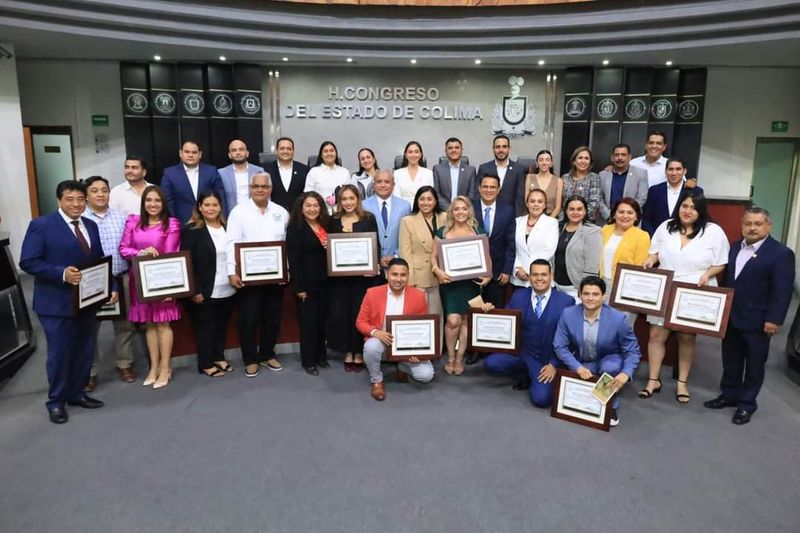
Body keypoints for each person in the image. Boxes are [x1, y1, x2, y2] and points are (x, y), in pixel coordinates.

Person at [20, 180, 117, 424]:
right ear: (59, 201)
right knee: (60, 353)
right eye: (70, 199)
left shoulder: (91, 225)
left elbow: (98, 260)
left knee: (84, 350)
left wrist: (111, 286)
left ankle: (76, 393)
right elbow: (29, 262)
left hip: (86, 301)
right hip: (55, 303)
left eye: (80, 200)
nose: (76, 204)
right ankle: (56, 401)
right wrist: (62, 273)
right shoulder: (42, 226)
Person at [704, 207, 795, 425]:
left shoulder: (781, 254)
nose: (752, 228)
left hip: (759, 321)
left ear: (768, 226)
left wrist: (774, 319)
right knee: (731, 359)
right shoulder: (735, 247)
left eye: (758, 223)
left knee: (754, 364)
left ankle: (747, 404)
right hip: (732, 317)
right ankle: (729, 395)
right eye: (748, 223)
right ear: (742, 225)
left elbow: (782, 291)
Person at [641, 190, 729, 402]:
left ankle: (682, 383)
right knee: (656, 335)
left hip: (694, 288)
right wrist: (651, 260)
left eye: (693, 207)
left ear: (700, 210)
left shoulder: (713, 231)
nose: (687, 211)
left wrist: (708, 274)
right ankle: (653, 380)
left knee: (687, 337)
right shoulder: (666, 226)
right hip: (666, 284)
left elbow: (721, 262)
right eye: (684, 206)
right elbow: (655, 251)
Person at [554, 276, 641, 427]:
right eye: (586, 294)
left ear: (603, 296)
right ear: (579, 295)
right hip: (581, 362)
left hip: (606, 362)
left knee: (611, 367)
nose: (590, 298)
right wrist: (577, 367)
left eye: (595, 294)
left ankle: (609, 405)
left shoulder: (618, 319)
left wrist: (625, 373)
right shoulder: (568, 314)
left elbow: (633, 351)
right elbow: (559, 346)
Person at [484, 259, 575, 406]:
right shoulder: (519, 295)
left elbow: (570, 340)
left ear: (551, 276)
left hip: (547, 359)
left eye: (544, 275)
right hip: (522, 353)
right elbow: (505, 322)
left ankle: (538, 375)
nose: (539, 278)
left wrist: (554, 365)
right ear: (530, 277)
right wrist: (489, 312)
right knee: (491, 363)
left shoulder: (566, 301)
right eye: (535, 274)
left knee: (541, 400)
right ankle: (525, 374)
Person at [226, 172, 290, 378]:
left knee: (272, 318)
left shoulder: (281, 212)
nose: (260, 190)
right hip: (248, 278)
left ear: (270, 189)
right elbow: (231, 242)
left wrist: (286, 269)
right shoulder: (238, 212)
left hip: (275, 276)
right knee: (248, 319)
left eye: (264, 186)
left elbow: (286, 244)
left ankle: (267, 354)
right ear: (250, 188)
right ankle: (250, 358)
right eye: (256, 186)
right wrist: (231, 270)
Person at [119, 185, 181, 389]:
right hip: (139, 281)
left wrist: (167, 286)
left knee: (163, 324)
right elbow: (123, 248)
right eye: (149, 200)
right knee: (150, 324)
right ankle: (153, 367)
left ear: (163, 203)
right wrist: (141, 252)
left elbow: (171, 254)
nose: (153, 204)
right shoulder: (133, 222)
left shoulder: (171, 224)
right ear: (143, 203)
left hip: (162, 280)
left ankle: (165, 367)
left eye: (157, 201)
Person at [82, 176, 135, 390]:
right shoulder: (81, 219)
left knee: (124, 325)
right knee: (89, 327)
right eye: (95, 190)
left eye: (104, 190)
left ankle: (124, 363)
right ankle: (91, 371)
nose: (100, 194)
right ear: (86, 195)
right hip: (91, 281)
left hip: (120, 276)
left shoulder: (122, 218)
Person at [356, 258, 435, 401]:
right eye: (394, 274)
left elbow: (423, 327)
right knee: (371, 347)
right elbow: (360, 322)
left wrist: (418, 352)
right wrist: (376, 332)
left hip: (406, 346)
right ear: (387, 274)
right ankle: (377, 380)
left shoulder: (418, 296)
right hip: (381, 341)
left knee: (426, 375)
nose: (398, 279)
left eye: (403, 275)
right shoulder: (372, 293)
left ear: (408, 276)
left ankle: (402, 366)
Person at [431, 196, 491, 375]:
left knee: (466, 320)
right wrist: (437, 271)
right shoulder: (442, 232)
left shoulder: (479, 231)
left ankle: (460, 357)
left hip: (472, 284)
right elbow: (433, 257)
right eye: (456, 209)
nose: (460, 212)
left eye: (464, 208)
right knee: (453, 320)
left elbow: (488, 258)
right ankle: (450, 357)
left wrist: (488, 276)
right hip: (451, 285)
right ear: (451, 212)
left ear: (469, 211)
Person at [180, 191, 236, 378]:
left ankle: (218, 356)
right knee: (205, 328)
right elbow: (187, 262)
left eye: (215, 205)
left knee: (221, 325)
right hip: (204, 289)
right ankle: (205, 362)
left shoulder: (228, 227)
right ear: (200, 207)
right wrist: (194, 290)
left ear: (220, 207)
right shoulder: (192, 230)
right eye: (207, 205)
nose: (211, 208)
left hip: (227, 287)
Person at [328, 184, 380, 372]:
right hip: (339, 279)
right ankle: (347, 351)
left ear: (358, 199)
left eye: (352, 198)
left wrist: (374, 266)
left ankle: (358, 351)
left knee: (360, 313)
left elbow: (376, 245)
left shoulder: (368, 218)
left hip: (363, 278)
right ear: (339, 202)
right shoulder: (333, 220)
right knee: (342, 313)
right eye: (344, 199)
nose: (348, 202)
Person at [286, 192, 331, 376]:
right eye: (308, 206)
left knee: (321, 321)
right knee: (308, 323)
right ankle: (309, 360)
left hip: (325, 282)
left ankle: (321, 356)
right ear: (301, 208)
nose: (312, 209)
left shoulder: (325, 226)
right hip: (306, 284)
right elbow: (294, 259)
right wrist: (299, 287)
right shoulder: (295, 228)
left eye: (315, 206)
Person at [399, 185, 447, 319]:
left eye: (429, 199)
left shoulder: (445, 217)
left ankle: (438, 341)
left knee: (438, 316)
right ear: (416, 201)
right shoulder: (407, 221)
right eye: (422, 199)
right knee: (420, 317)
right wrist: (410, 280)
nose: (426, 203)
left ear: (436, 201)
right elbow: (405, 253)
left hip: (443, 276)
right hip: (419, 278)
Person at [600, 198, 650, 325]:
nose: (625, 216)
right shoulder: (605, 230)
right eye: (621, 212)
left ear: (636, 216)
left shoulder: (642, 236)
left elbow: (640, 268)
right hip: (602, 286)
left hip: (624, 289)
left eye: (630, 212)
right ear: (614, 214)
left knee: (621, 329)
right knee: (602, 328)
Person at [473, 174, 515, 311]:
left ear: (498, 190)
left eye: (493, 187)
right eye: (485, 186)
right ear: (479, 188)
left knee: (494, 313)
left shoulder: (508, 210)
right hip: (472, 273)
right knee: (471, 313)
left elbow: (510, 242)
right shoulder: (469, 209)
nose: (488, 190)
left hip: (498, 273)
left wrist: (507, 270)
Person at [161, 140, 225, 224]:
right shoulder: (170, 173)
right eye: (187, 152)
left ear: (200, 154)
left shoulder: (211, 171)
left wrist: (222, 220)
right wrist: (174, 223)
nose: (190, 155)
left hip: (210, 222)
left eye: (194, 152)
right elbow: (168, 201)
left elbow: (221, 196)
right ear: (180, 153)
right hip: (182, 224)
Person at [553, 195, 602, 301]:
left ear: (585, 211)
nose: (575, 212)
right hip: (555, 286)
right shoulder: (558, 227)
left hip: (576, 288)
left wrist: (585, 288)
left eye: (579, 209)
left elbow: (592, 265)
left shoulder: (592, 231)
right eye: (571, 209)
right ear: (565, 211)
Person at [363, 169, 412, 271]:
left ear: (393, 185)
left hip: (398, 264)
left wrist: (395, 256)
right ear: (373, 185)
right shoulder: (363, 206)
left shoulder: (405, 206)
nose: (383, 185)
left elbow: (408, 236)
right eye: (379, 181)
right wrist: (376, 259)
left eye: (387, 182)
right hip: (373, 265)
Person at [641, 157, 704, 235]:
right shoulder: (654, 190)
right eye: (670, 169)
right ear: (665, 171)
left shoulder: (695, 191)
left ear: (685, 171)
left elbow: (700, 217)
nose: (674, 173)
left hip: (685, 239)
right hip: (657, 240)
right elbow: (646, 218)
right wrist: (654, 237)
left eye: (678, 169)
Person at [511, 189, 558, 289]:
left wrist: (528, 270)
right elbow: (512, 249)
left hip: (541, 277)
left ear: (545, 205)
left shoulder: (552, 223)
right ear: (527, 204)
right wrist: (517, 269)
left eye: (540, 202)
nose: (536, 205)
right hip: (519, 278)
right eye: (532, 201)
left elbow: (549, 251)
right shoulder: (517, 222)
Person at [598, 143, 649, 222]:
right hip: (607, 221)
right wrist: (609, 216)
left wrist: (626, 215)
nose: (620, 158)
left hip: (631, 221)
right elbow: (599, 198)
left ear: (629, 157)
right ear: (612, 157)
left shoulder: (641, 174)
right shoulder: (602, 175)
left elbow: (642, 198)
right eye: (617, 155)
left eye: (623, 155)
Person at [477, 134, 525, 214]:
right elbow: (478, 194)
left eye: (504, 147)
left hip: (510, 215)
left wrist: (518, 218)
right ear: (493, 149)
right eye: (498, 147)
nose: (501, 150)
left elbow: (520, 197)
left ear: (509, 149)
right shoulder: (484, 168)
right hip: (487, 214)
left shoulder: (518, 169)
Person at [218, 139, 264, 217]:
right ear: (229, 155)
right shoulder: (221, 173)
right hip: (231, 217)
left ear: (247, 153)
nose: (238, 152)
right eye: (234, 150)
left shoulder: (259, 171)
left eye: (241, 149)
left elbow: (265, 196)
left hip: (255, 216)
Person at [264, 136, 309, 212]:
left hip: (297, 215)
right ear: (276, 151)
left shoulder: (304, 170)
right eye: (282, 148)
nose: (285, 151)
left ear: (293, 151)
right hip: (273, 214)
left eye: (289, 149)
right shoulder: (265, 170)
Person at [304, 140, 350, 214]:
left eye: (331, 151)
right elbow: (308, 195)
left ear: (336, 153)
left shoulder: (344, 172)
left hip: (341, 213)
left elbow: (349, 194)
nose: (329, 153)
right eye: (325, 151)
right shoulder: (314, 172)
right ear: (321, 155)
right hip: (320, 213)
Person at [432, 137, 477, 211]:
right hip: (444, 212)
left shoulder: (471, 170)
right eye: (450, 148)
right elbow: (436, 194)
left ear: (461, 150)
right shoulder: (437, 169)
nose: (453, 150)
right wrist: (450, 209)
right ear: (445, 151)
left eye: (457, 147)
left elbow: (471, 195)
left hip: (464, 211)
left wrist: (460, 209)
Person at [561, 146, 601, 223]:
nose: (583, 161)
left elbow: (594, 203)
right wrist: (567, 218)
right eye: (580, 158)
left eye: (586, 158)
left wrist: (577, 218)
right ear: (574, 161)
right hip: (565, 221)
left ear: (590, 162)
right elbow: (561, 203)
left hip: (586, 222)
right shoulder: (565, 178)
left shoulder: (594, 178)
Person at [522, 149, 563, 219]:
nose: (544, 163)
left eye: (547, 160)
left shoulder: (558, 181)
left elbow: (558, 207)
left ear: (551, 163)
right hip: (532, 218)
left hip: (551, 219)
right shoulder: (529, 177)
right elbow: (527, 201)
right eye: (541, 160)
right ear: (537, 163)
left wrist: (547, 222)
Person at [394, 140, 434, 205]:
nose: (413, 155)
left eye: (416, 152)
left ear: (420, 154)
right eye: (410, 152)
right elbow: (396, 197)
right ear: (406, 155)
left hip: (423, 208)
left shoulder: (428, 173)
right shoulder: (397, 173)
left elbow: (430, 196)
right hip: (402, 209)